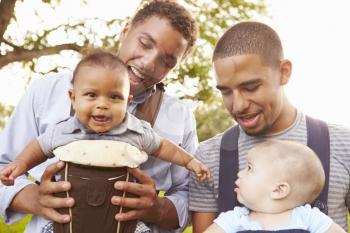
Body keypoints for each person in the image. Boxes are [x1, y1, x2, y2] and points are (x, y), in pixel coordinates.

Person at [0, 1, 199, 233]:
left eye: (166, 61)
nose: (148, 63)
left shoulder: (180, 118)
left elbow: (192, 196)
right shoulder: (47, 91)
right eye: (144, 43)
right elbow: (4, 166)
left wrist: (157, 209)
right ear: (125, 31)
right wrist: (33, 198)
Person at [189, 21, 350, 233]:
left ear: (284, 72)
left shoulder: (343, 145)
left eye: (250, 87)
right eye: (226, 91)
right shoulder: (207, 158)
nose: (238, 105)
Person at [0, 51, 209, 186]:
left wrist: (190, 161)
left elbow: (163, 147)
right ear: (73, 98)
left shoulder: (136, 131)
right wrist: (20, 164)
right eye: (91, 95)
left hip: (119, 211)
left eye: (114, 97)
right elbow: (38, 147)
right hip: (70, 209)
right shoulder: (63, 130)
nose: (102, 104)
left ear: (127, 102)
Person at [203, 140, 345, 233]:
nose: (239, 173)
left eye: (249, 168)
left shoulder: (308, 218)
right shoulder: (235, 219)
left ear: (278, 190)